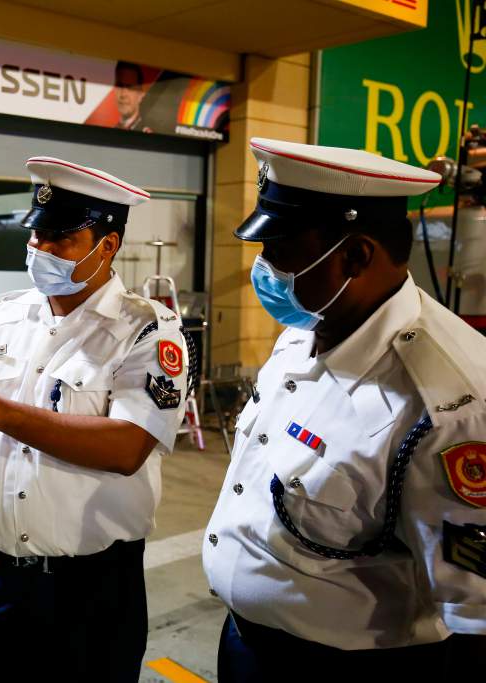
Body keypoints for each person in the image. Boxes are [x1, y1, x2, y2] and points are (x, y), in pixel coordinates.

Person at [0, 156, 192, 682]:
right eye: (36, 235)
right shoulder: (1, 314)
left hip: (91, 592)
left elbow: (127, 448)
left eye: (62, 239)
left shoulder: (146, 331)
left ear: (108, 245)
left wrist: (0, 413)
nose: (41, 250)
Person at [203, 137, 486, 680]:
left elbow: (476, 615)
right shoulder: (306, 329)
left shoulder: (449, 401)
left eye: (280, 249)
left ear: (355, 255)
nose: (265, 268)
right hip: (245, 646)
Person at [114, 61, 147, 132]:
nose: (123, 94)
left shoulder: (148, 135)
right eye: (119, 85)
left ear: (141, 94)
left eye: (130, 87)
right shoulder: (110, 131)